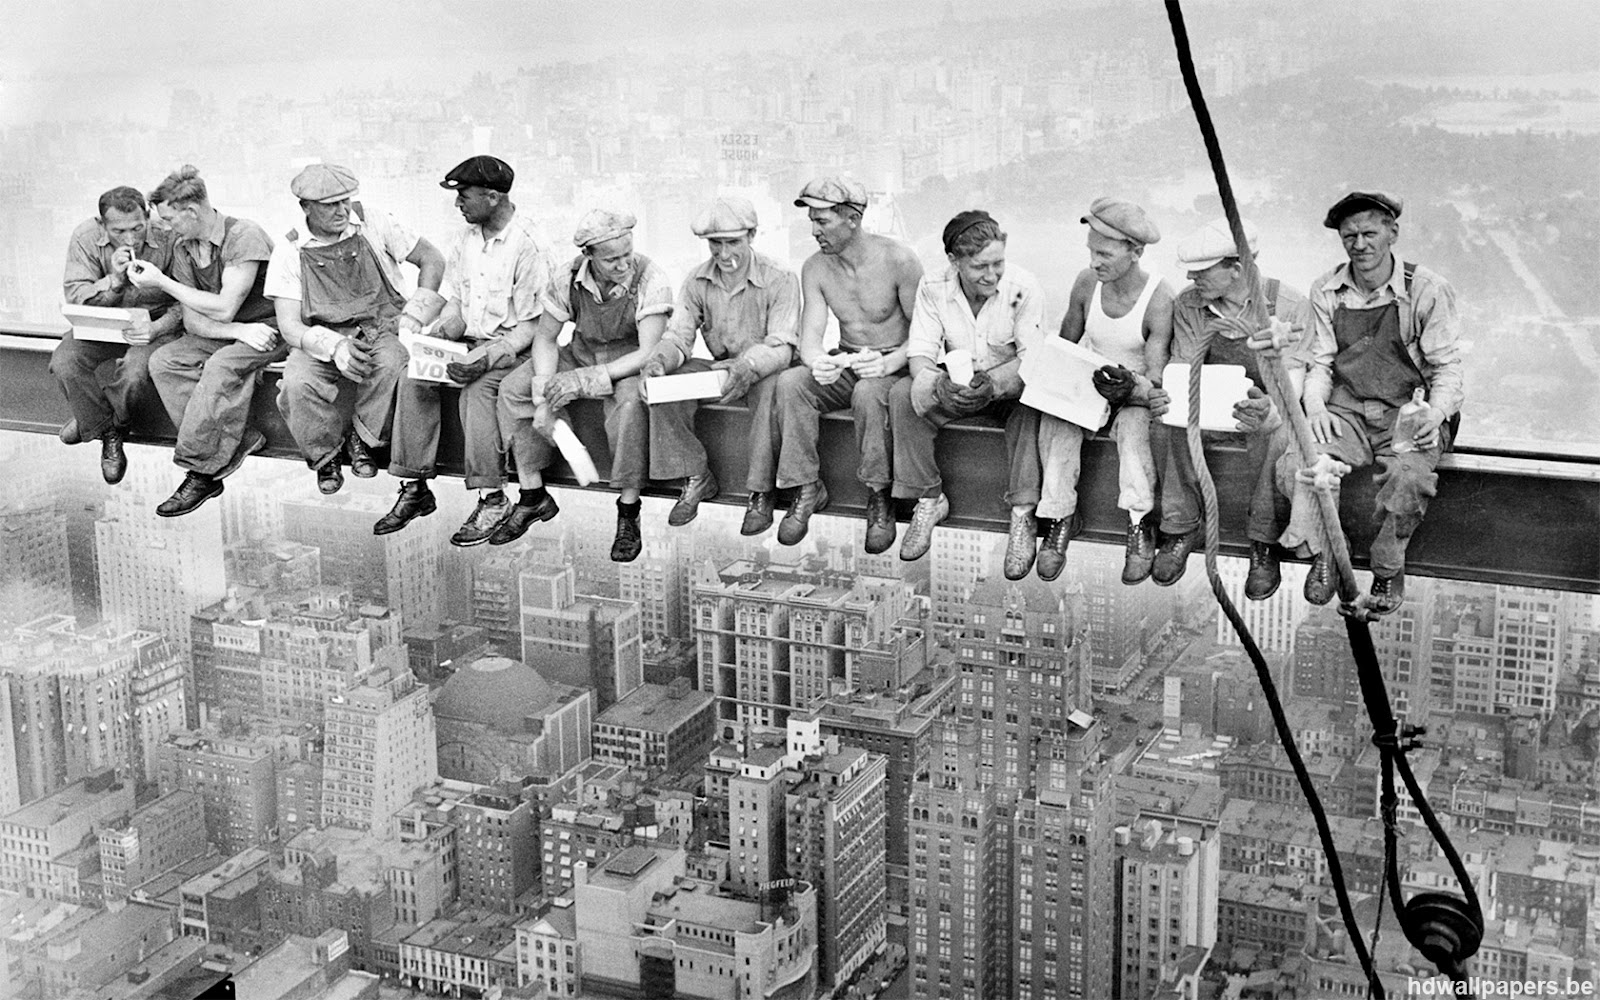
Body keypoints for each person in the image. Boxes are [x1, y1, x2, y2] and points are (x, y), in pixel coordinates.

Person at [1282, 191, 1463, 615]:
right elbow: (1321, 362)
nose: (1359, 245)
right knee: (1303, 463)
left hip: (1409, 412)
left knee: (1407, 479)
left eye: (1368, 233)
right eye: (1349, 237)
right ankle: (1328, 551)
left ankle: (1387, 567)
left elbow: (1448, 368)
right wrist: (1316, 408)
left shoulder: (1426, 289)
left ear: (1392, 233)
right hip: (1349, 409)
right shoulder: (1327, 289)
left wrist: (1434, 415)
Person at [371, 156, 552, 545]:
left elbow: (531, 327)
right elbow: (458, 301)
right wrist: (439, 336)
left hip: (513, 351)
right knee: (414, 375)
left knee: (478, 390)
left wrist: (485, 357)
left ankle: (492, 498)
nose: (458, 205)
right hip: (471, 343)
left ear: (492, 196)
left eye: (464, 196)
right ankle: (414, 487)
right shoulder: (466, 240)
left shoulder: (529, 245)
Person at [494, 209, 673, 561]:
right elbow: (545, 339)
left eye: (627, 255)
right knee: (513, 388)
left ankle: (628, 509)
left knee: (631, 405)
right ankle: (532, 494)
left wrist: (583, 381)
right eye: (611, 260)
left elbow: (648, 351)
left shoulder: (652, 279)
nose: (623, 265)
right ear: (589, 256)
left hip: (628, 362)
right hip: (581, 351)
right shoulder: (568, 276)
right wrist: (544, 397)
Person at [1150, 218, 1307, 599]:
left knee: (1276, 433)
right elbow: (1185, 364)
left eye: (1202, 271)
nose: (1191, 277)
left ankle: (1263, 542)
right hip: (1209, 402)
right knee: (1167, 422)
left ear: (1237, 268)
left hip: (1264, 405)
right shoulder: (1190, 305)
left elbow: (1295, 374)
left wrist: (1270, 408)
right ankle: (1180, 525)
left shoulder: (1287, 305)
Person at [268, 163, 445, 495]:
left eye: (345, 200)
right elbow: (289, 325)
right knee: (296, 383)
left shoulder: (373, 221)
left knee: (392, 365)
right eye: (330, 204)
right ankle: (325, 457)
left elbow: (432, 259)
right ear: (306, 207)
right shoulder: (289, 249)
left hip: (381, 327)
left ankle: (362, 439)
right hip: (323, 335)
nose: (342, 210)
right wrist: (334, 347)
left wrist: (414, 315)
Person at [770, 176, 923, 551]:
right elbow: (810, 338)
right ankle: (807, 487)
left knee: (869, 394)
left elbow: (925, 335)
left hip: (895, 363)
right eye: (812, 221)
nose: (814, 231)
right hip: (849, 357)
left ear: (852, 218)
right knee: (792, 383)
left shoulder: (900, 261)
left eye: (822, 221)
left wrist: (889, 365)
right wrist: (818, 362)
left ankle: (879, 496)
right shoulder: (816, 268)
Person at [889, 210, 1043, 571]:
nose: (991, 275)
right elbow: (921, 354)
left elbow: (1031, 358)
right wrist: (938, 384)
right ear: (954, 261)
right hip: (957, 384)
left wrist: (994, 385)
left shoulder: (1024, 286)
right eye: (979, 267)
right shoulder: (932, 287)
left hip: (1008, 387)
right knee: (902, 397)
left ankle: (1022, 513)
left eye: (998, 263)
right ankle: (929, 499)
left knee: (1032, 407)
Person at [639, 196, 800, 532]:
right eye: (716, 244)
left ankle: (760, 490)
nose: (724, 254)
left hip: (764, 367)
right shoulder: (697, 280)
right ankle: (696, 473)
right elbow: (679, 337)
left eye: (733, 243)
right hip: (722, 369)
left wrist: (747, 366)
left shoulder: (780, 278)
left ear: (751, 236)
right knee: (663, 389)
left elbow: (782, 346)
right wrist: (658, 362)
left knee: (771, 390)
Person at [133, 166, 288, 517]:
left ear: (192, 211)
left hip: (270, 328)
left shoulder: (243, 236)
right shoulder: (185, 246)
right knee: (165, 361)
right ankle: (237, 438)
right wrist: (237, 332)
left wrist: (163, 282)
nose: (168, 227)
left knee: (221, 366)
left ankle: (201, 471)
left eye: (171, 219)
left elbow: (223, 306)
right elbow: (192, 318)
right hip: (236, 331)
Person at [1034, 197, 1173, 582]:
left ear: (1136, 252)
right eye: (1091, 251)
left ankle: (1139, 521)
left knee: (1132, 432)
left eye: (1105, 254)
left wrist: (1132, 388)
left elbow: (1157, 376)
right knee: (1057, 422)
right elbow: (1066, 345)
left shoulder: (1159, 300)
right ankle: (1060, 515)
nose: (1095, 262)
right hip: (1090, 381)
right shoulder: (1086, 282)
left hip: (1133, 391)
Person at [53, 186, 183, 484]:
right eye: (119, 231)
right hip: (101, 322)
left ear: (147, 217)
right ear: (102, 225)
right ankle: (106, 430)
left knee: (135, 374)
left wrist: (156, 328)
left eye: (138, 227)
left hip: (153, 324)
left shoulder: (168, 236)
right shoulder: (85, 237)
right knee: (65, 362)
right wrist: (114, 281)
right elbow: (76, 297)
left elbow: (184, 299)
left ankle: (94, 419)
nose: (131, 238)